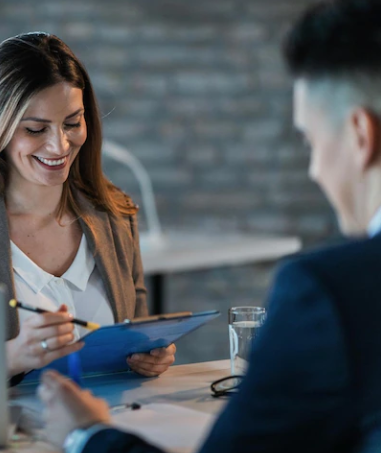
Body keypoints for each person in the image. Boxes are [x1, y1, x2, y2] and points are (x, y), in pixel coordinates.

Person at [37, 1, 381, 452]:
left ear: (359, 135)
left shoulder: (332, 292)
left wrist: (85, 435)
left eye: (311, 141)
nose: (315, 170)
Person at [0, 33, 176, 383]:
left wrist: (148, 355)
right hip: (8, 432)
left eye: (72, 123)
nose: (59, 145)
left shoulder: (115, 213)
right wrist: (11, 356)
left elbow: (135, 332)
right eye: (36, 129)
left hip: (108, 428)